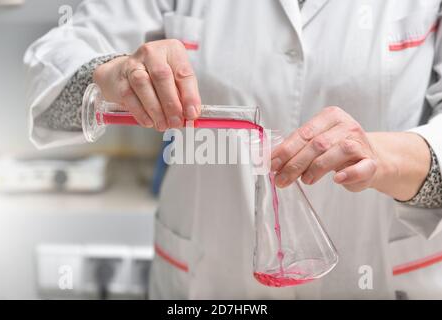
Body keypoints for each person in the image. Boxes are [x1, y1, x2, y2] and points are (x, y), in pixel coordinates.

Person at [24, 0, 442, 299]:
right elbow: (49, 74)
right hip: (207, 283)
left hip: (383, 279)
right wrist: (109, 74)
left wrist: (384, 157)